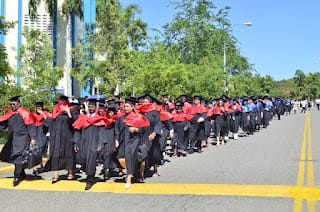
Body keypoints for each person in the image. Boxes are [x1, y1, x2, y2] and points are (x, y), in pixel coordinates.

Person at [0, 96, 37, 186]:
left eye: (14, 104)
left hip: (23, 138)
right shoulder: (11, 114)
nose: (12, 106)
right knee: (16, 157)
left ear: (19, 104)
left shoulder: (25, 113)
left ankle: (17, 176)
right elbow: (3, 124)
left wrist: (33, 138)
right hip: (13, 138)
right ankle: (22, 174)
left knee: (18, 156)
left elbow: (30, 127)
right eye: (11, 104)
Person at [73, 98, 109, 190]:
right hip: (83, 142)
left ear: (95, 107)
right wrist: (76, 143)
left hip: (93, 143)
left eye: (92, 106)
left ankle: (90, 179)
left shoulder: (98, 119)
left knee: (91, 160)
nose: (90, 108)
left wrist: (100, 144)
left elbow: (101, 132)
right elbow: (78, 130)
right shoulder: (83, 117)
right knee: (82, 159)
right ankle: (89, 172)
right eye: (89, 106)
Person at [115, 98, 149, 188]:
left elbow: (144, 129)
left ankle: (129, 178)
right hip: (123, 142)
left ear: (132, 107)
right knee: (121, 159)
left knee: (130, 158)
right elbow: (117, 129)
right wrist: (116, 140)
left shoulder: (137, 117)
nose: (125, 108)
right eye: (124, 106)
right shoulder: (121, 118)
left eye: (127, 106)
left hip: (134, 141)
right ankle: (132, 171)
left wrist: (136, 129)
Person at [45, 95, 78, 183]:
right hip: (57, 136)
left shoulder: (72, 109)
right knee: (56, 154)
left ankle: (70, 173)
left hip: (68, 136)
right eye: (60, 101)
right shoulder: (56, 110)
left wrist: (68, 112)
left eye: (63, 101)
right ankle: (56, 175)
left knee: (68, 154)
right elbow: (52, 122)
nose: (61, 103)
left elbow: (75, 122)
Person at [32, 101, 52, 175]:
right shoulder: (33, 114)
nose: (38, 108)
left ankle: (41, 166)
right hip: (35, 132)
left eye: (40, 107)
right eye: (37, 107)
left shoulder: (46, 113)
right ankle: (34, 167)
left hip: (43, 132)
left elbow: (50, 122)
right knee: (35, 150)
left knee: (41, 150)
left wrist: (43, 114)